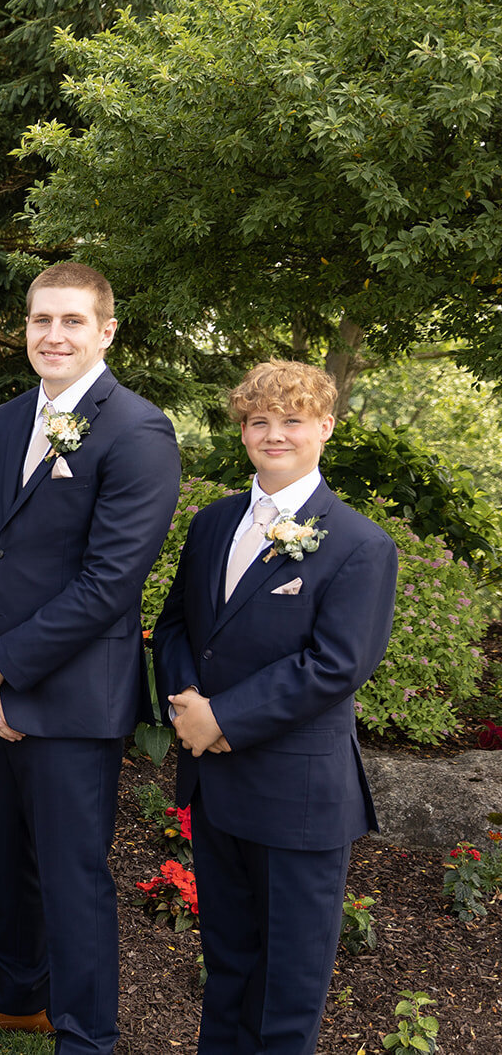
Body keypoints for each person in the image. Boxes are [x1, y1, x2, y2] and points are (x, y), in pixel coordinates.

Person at [0, 262, 180, 1053]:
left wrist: (2, 664)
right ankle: (16, 995)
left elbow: (110, 581)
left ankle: (85, 1035)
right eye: (42, 320)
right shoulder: (6, 422)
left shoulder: (139, 430)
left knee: (73, 878)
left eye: (73, 321)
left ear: (107, 330)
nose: (54, 335)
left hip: (73, 696)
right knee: (7, 861)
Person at [154, 360, 396, 1055]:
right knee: (227, 966)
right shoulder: (213, 523)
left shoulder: (359, 544)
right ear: (243, 431)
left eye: (292, 419)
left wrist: (222, 718)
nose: (274, 433)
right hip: (218, 787)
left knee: (288, 986)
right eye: (260, 420)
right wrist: (185, 707)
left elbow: (335, 664)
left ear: (325, 426)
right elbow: (175, 628)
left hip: (300, 798)